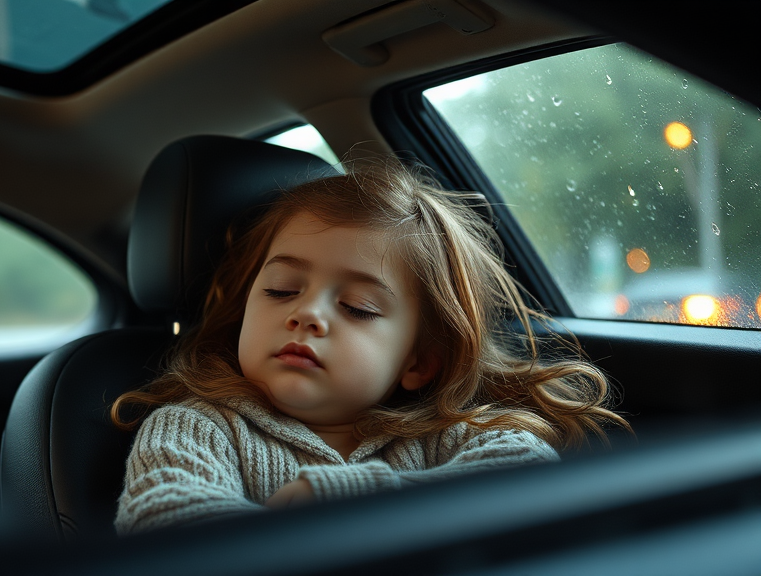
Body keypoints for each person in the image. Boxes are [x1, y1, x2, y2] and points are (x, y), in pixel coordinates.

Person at [111, 160, 629, 534]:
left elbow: (522, 474)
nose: (306, 313)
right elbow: (163, 520)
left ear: (418, 363)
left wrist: (350, 499)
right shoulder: (198, 425)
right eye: (281, 290)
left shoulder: (442, 436)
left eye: (358, 307)